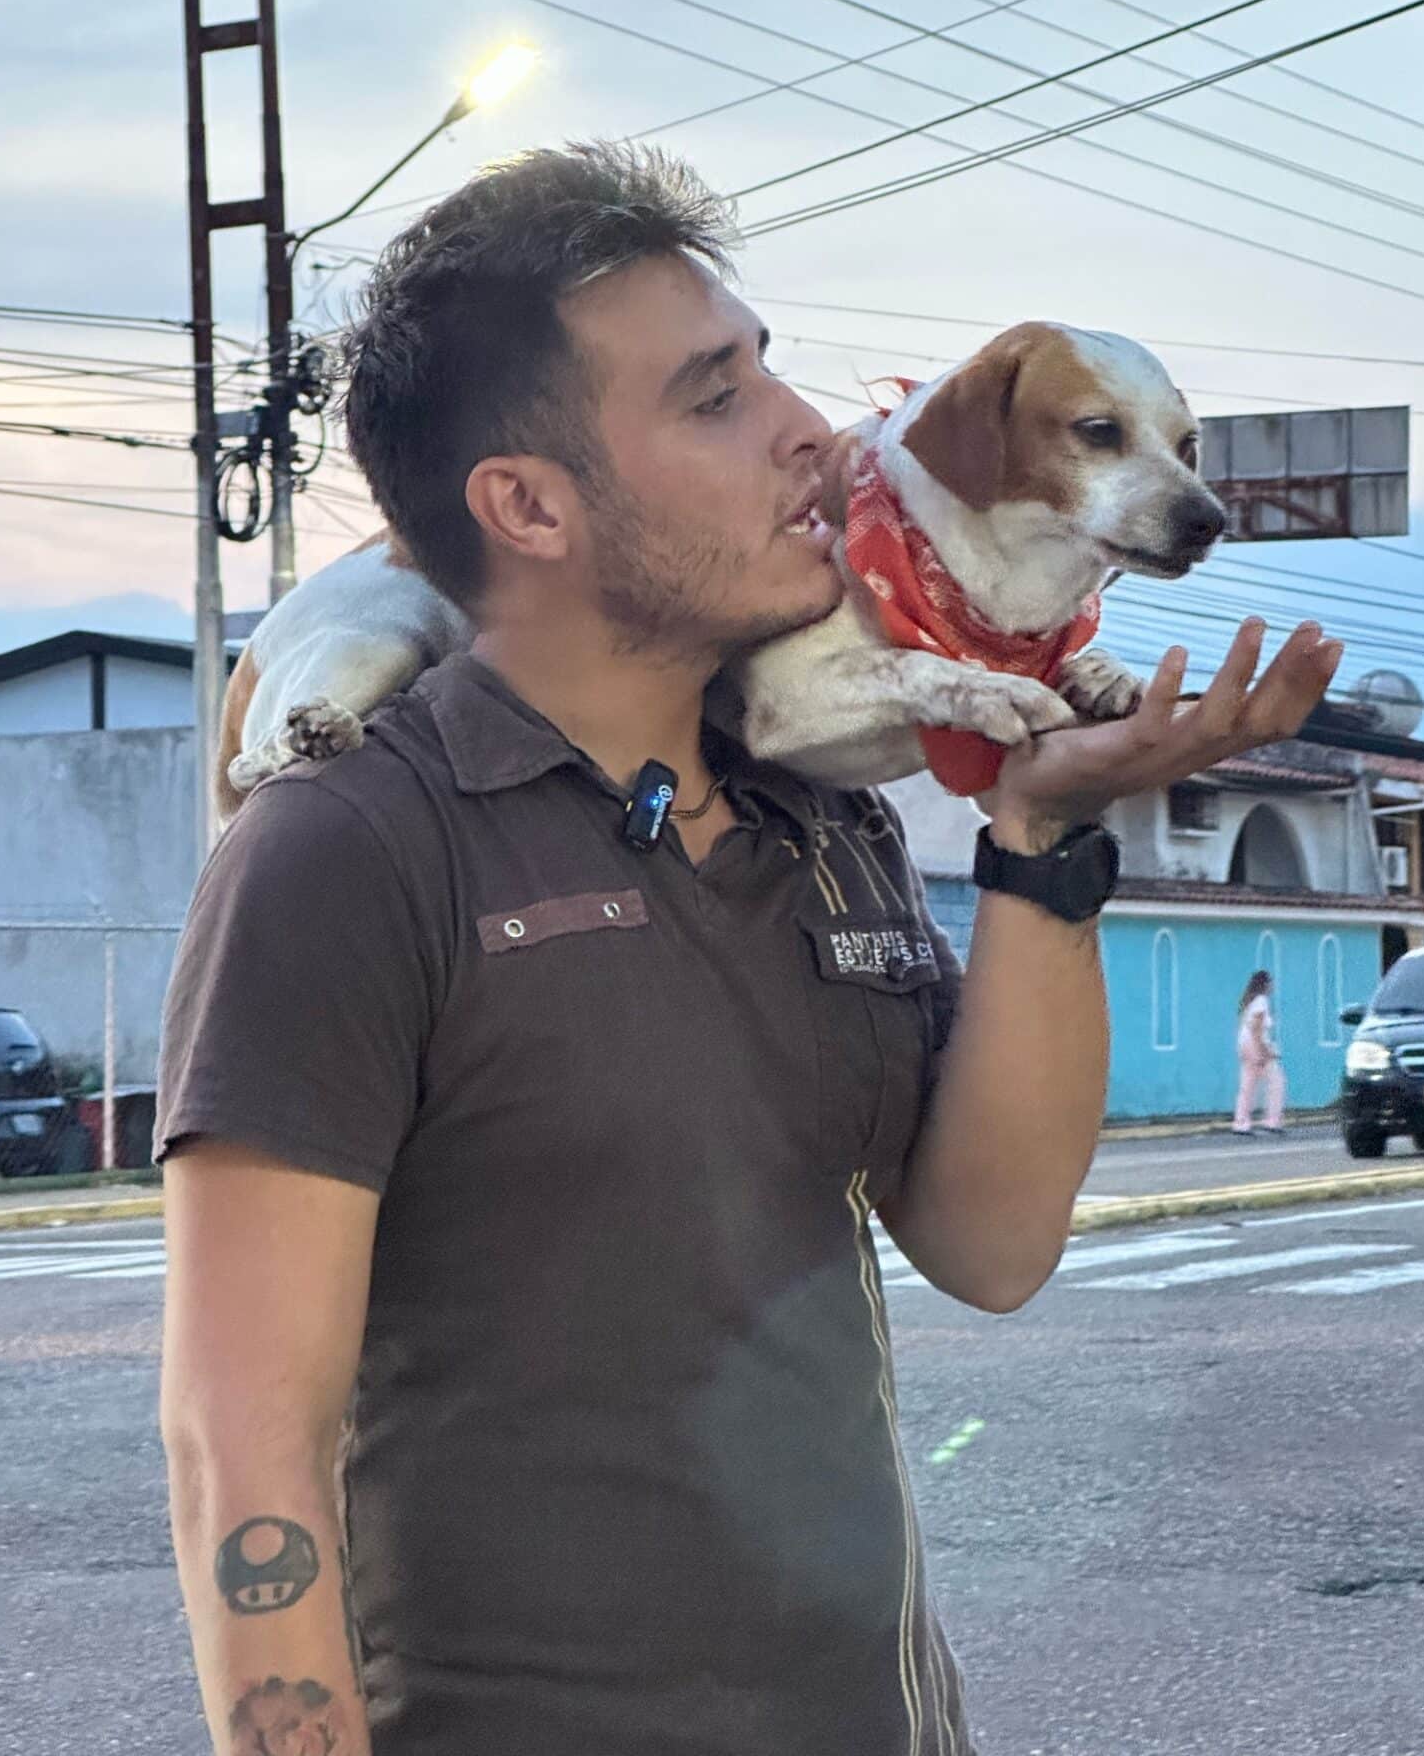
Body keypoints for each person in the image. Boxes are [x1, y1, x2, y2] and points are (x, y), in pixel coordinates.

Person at [154, 141, 1342, 1756]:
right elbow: (245, 1446)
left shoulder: (817, 808)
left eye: (772, 365)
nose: (806, 428)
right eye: (716, 394)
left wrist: (1041, 834)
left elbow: (992, 1245)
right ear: (528, 502)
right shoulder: (352, 840)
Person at [1233, 968, 1286, 1135]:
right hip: (1255, 1044)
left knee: (1247, 1084)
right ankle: (1272, 1121)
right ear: (1265, 984)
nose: (1273, 986)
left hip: (1244, 1043)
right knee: (1276, 1081)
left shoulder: (1250, 1000)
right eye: (1271, 983)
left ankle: (1241, 1122)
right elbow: (1256, 1028)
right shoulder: (1262, 1001)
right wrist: (1264, 1051)